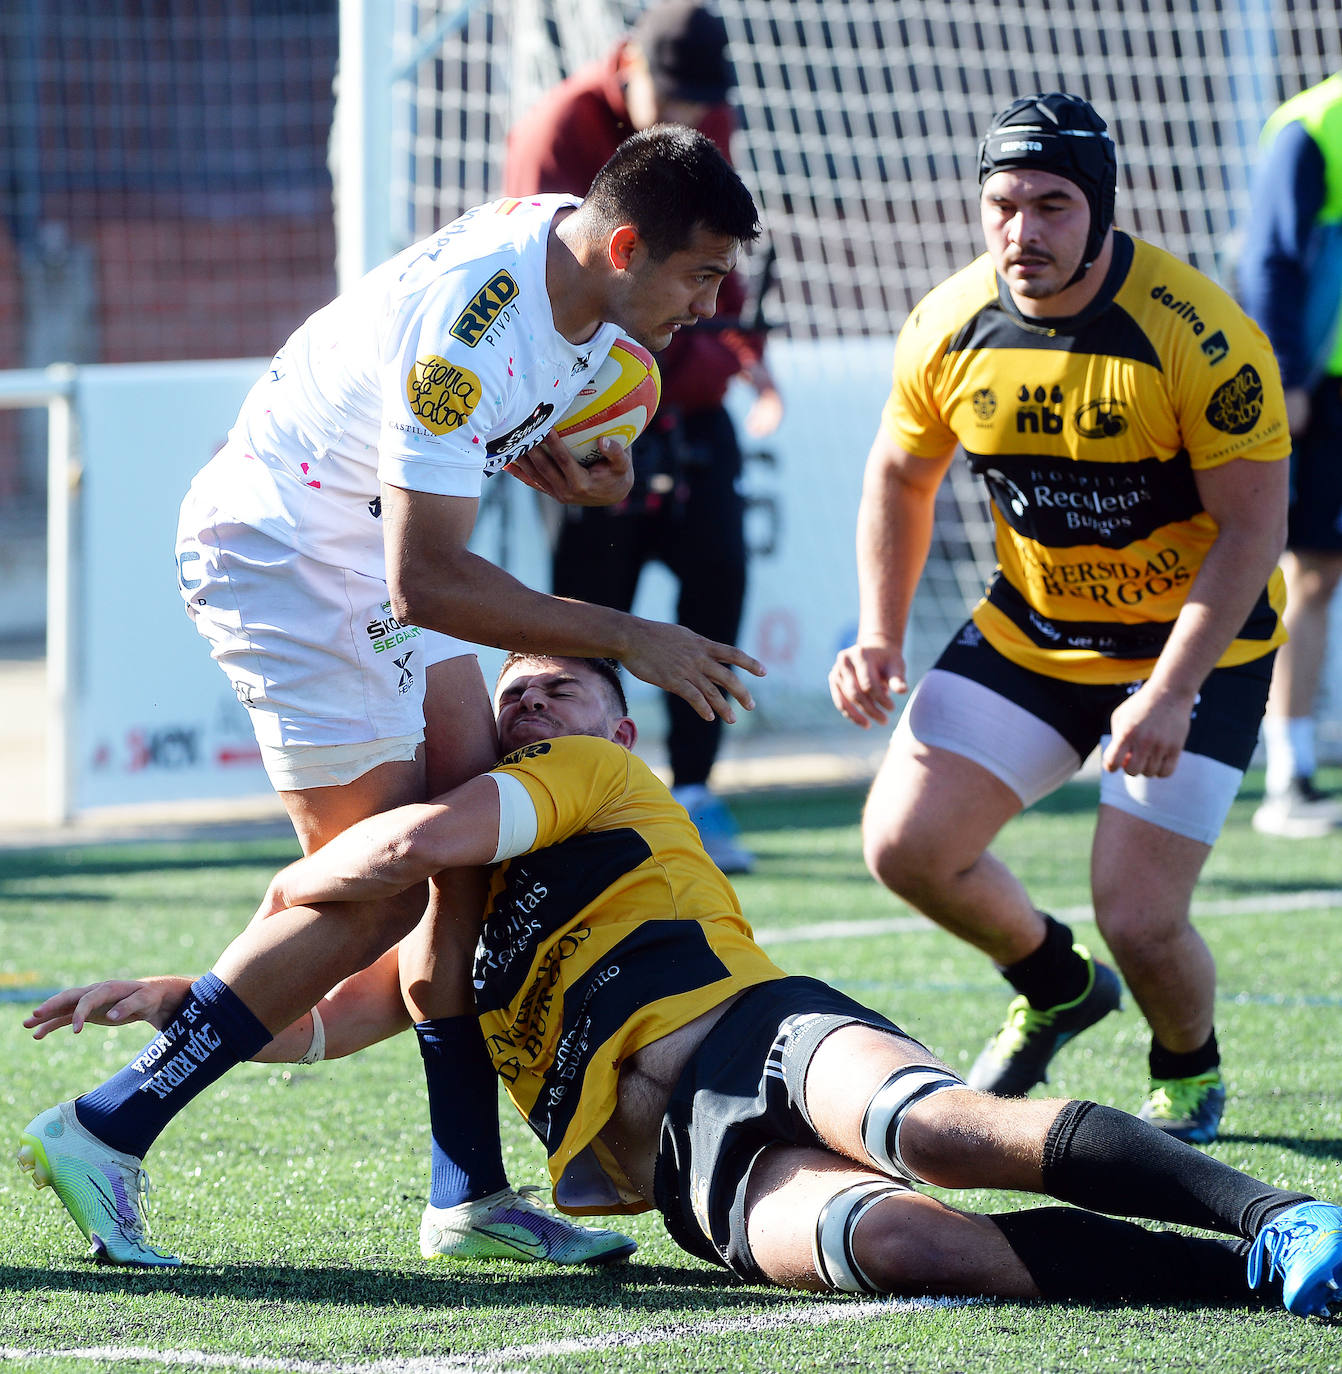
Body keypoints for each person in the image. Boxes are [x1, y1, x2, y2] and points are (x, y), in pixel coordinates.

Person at [22, 654, 1342, 1318]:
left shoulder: (594, 780)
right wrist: (184, 997)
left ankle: (1273, 1214)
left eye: (563, 689)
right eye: (518, 692)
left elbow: (411, 839)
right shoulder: (453, 933)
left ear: (619, 725)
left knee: (938, 1128)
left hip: (750, 1031)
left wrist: (279, 900)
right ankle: (1248, 1281)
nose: (532, 701)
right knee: (903, 1242)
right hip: (676, 1170)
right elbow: (321, 1021)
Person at [165, 124, 765, 1265]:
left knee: (464, 858)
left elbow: (518, 450)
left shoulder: (578, 266)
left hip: (361, 544)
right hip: (291, 553)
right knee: (386, 894)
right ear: (628, 246)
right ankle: (110, 1122)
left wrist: (588, 469)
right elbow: (426, 577)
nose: (707, 304)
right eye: (698, 275)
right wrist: (630, 636)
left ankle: (467, 1195)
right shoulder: (472, 327)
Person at [827, 94, 1292, 1147]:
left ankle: (1188, 1067)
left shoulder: (1199, 335)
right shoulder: (948, 325)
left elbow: (1254, 528)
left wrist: (1171, 692)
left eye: (1050, 205)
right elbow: (899, 477)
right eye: (1001, 205)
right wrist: (878, 632)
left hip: (1194, 654)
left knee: (1137, 915)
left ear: (1100, 210)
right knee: (904, 845)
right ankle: (1055, 985)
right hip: (1035, 632)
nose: (1021, 232)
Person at [502, 0, 783, 874]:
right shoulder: (563, 126)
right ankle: (577, 797)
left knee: (719, 584)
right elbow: (537, 291)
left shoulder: (708, 119)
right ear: (631, 68)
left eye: (707, 105)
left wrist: (737, 353)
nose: (695, 121)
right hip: (586, 414)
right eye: (677, 98)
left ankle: (695, 793)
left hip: (690, 408)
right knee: (584, 615)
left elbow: (712, 279)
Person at [1236, 73, 1342, 838]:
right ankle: (1287, 774)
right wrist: (1288, 376)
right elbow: (1269, 259)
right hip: (1324, 388)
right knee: (1309, 570)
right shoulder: (1312, 125)